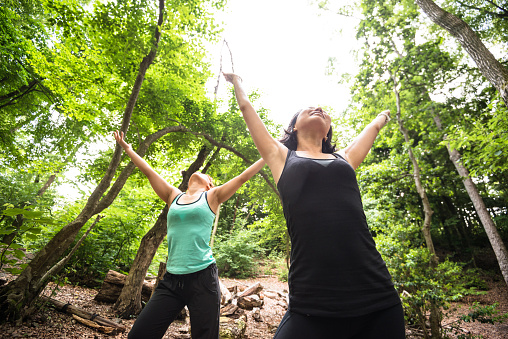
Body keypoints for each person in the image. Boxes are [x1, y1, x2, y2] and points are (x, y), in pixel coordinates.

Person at [223, 73, 405, 339]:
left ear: (328, 129)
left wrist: (382, 117)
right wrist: (237, 83)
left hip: (375, 294)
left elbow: (372, 131)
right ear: (294, 126)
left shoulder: (344, 158)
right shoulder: (281, 156)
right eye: (309, 109)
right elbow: (246, 109)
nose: (319, 109)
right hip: (312, 299)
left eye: (324, 111)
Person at [114, 131, 265, 339]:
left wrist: (269, 153)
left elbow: (243, 177)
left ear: (209, 185)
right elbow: (149, 171)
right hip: (171, 280)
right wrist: (129, 150)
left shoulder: (212, 196)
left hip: (203, 278)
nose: (203, 172)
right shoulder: (173, 196)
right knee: (139, 334)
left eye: (208, 176)